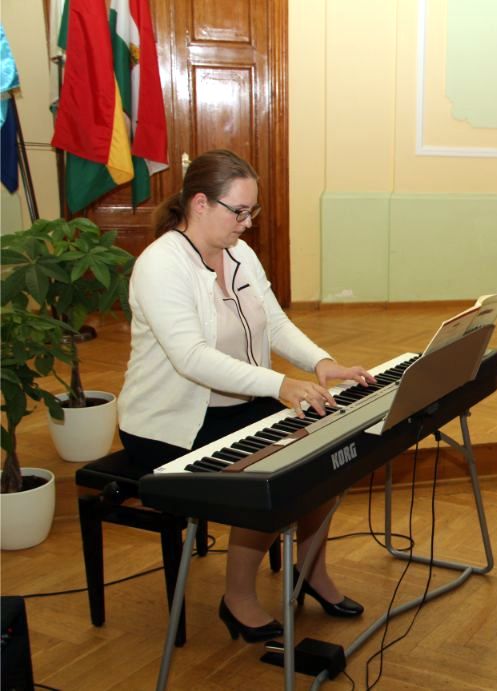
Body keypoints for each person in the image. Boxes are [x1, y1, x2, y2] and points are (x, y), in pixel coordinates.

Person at [118, 149, 377, 642]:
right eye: (239, 211)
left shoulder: (240, 253)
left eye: (251, 211)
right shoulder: (160, 265)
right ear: (199, 203)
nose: (248, 223)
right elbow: (191, 357)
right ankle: (237, 598)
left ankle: (311, 571)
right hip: (170, 423)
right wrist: (279, 385)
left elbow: (273, 322)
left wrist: (321, 363)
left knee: (327, 449)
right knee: (271, 471)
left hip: (239, 403)